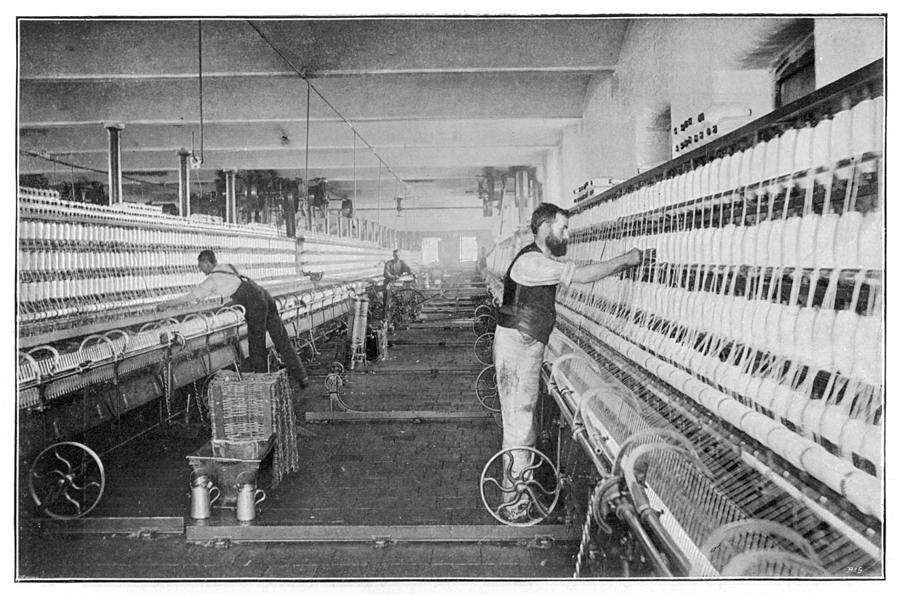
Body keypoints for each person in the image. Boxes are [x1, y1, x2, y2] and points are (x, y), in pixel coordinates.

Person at [493, 202, 642, 521]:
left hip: (523, 347)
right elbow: (584, 275)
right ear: (545, 228)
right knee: (519, 429)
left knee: (523, 427)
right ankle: (515, 506)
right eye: (563, 228)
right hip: (518, 353)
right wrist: (628, 259)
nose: (567, 234)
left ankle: (517, 495)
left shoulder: (538, 259)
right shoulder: (532, 263)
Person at [157, 249, 311, 400]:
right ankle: (302, 377)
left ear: (206, 263)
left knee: (257, 347)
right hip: (264, 296)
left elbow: (191, 297)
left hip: (255, 304)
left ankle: (262, 389)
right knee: (281, 339)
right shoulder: (228, 267)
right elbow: (238, 286)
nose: (199, 269)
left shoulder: (212, 280)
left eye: (200, 265)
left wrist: (167, 305)